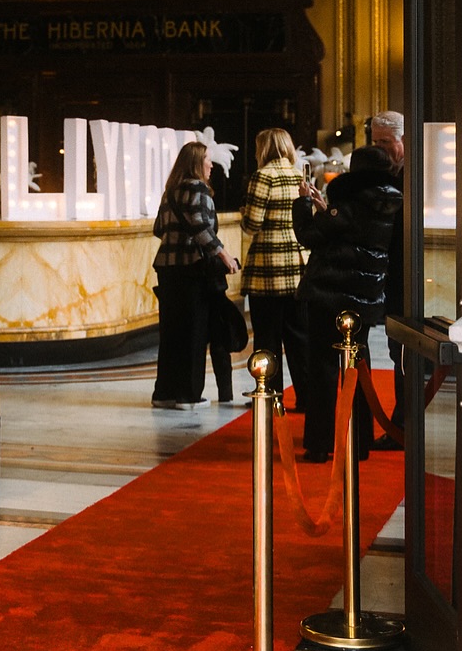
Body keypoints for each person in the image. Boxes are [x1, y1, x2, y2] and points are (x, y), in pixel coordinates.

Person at [293, 145, 402, 461]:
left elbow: (310, 235)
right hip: (365, 297)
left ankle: (320, 443)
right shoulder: (391, 201)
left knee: (324, 369)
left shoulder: (351, 202)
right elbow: (352, 235)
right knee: (358, 370)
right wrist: (326, 208)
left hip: (329, 294)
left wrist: (302, 202)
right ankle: (360, 441)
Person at [151, 140, 241, 410]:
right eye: (207, 160)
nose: (211, 165)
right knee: (194, 332)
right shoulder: (198, 188)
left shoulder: (170, 192)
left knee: (170, 332)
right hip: (191, 269)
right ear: (195, 163)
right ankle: (189, 396)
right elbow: (202, 228)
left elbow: (158, 229)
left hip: (166, 268)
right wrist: (224, 256)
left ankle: (164, 393)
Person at [238, 127, 308, 408]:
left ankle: (270, 396)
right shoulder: (298, 174)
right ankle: (306, 397)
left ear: (263, 149)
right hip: (297, 267)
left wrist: (245, 213)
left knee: (267, 338)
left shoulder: (262, 176)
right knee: (299, 338)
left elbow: (251, 224)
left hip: (267, 269)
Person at [370, 110, 406, 450]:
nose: (380, 149)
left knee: (406, 356)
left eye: (386, 142)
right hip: (388, 278)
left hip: (410, 277)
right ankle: (401, 425)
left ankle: (403, 426)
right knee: (398, 355)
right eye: (375, 142)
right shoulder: (378, 175)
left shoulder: (412, 176)